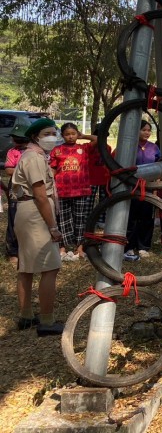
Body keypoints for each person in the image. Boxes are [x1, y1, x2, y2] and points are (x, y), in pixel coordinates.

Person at [10, 118, 64, 335]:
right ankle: (47, 321)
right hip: (35, 213)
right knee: (50, 267)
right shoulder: (34, 158)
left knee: (27, 267)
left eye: (53, 133)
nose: (52, 137)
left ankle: (26, 316)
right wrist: (52, 227)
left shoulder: (34, 156)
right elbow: (41, 196)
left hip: (28, 211)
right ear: (35, 137)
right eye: (47, 134)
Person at [49, 123, 97, 260]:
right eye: (67, 134)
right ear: (62, 135)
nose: (70, 136)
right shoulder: (57, 150)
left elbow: (98, 139)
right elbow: (53, 169)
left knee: (80, 219)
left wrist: (83, 136)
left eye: (73, 133)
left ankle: (79, 247)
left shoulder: (84, 148)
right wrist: (50, 185)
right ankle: (62, 247)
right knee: (62, 219)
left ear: (77, 134)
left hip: (80, 190)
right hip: (62, 191)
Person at [123, 120, 160, 261]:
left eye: (149, 130)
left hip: (148, 187)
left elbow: (158, 167)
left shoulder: (154, 147)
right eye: (144, 130)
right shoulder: (130, 146)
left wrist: (155, 187)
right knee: (131, 218)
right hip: (132, 187)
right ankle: (129, 246)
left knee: (146, 218)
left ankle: (143, 246)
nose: (147, 133)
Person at [4, 123, 29, 267]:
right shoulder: (12, 152)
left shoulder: (34, 151)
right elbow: (8, 170)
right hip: (16, 187)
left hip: (32, 188)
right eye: (14, 138)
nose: (15, 141)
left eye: (18, 138)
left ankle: (28, 250)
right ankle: (13, 251)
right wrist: (28, 171)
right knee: (14, 218)